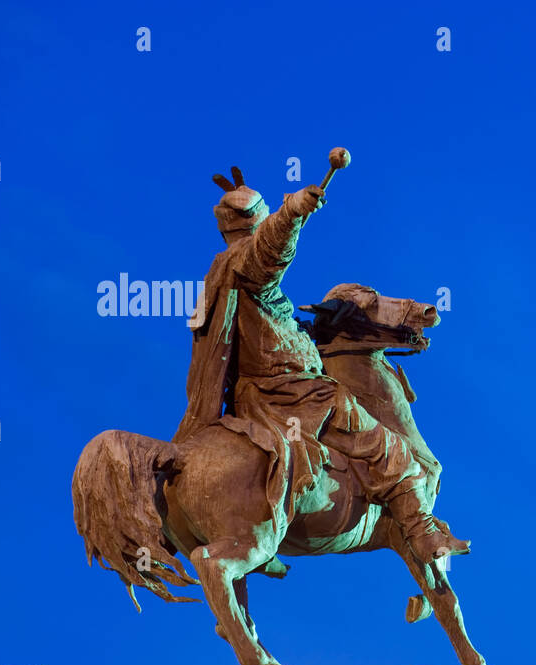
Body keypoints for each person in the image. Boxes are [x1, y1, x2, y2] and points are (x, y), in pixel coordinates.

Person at [173, 167, 468, 562]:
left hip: (259, 399)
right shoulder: (245, 264)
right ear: (257, 224)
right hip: (296, 398)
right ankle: (424, 533)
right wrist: (291, 213)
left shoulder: (219, 275)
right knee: (390, 447)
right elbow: (268, 255)